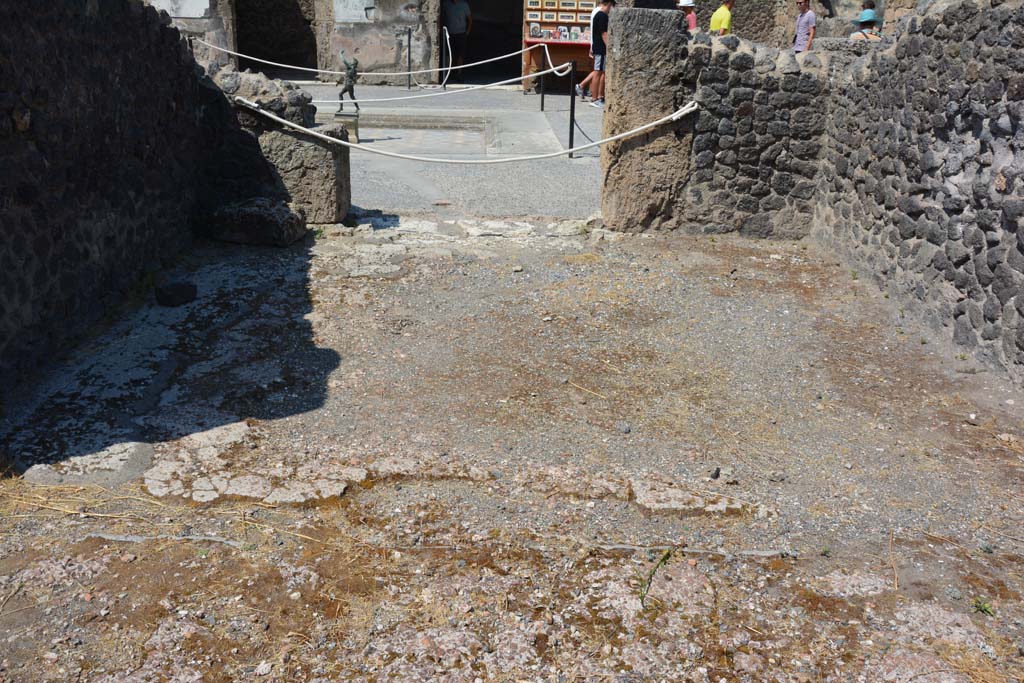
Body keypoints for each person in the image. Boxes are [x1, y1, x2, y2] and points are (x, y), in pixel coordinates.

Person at [575, 3, 604, 100]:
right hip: (599, 45)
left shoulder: (596, 11)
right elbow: (596, 30)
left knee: (599, 70)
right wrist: (592, 45)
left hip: (596, 44)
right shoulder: (599, 12)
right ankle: (596, 95)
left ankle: (585, 87)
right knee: (599, 71)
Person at [589, 0, 615, 110]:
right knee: (597, 72)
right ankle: (594, 98)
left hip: (599, 47)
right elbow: (604, 34)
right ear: (608, 4)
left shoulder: (599, 15)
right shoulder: (602, 16)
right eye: (612, 6)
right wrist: (610, 47)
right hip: (601, 48)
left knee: (600, 72)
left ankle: (598, 97)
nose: (612, 9)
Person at [442, 0, 472, 80]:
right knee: (448, 54)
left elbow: (470, 19)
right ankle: (447, 73)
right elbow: (442, 17)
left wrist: (467, 32)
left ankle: (458, 73)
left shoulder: (464, 4)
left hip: (461, 33)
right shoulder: (446, 4)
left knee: (460, 54)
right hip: (450, 34)